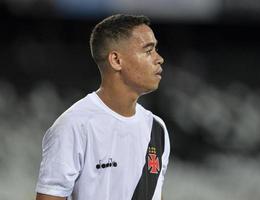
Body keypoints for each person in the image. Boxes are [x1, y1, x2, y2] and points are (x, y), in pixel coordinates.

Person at [35, 14, 170, 200]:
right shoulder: (74, 126)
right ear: (116, 60)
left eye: (156, 49)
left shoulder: (157, 129)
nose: (159, 58)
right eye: (148, 50)